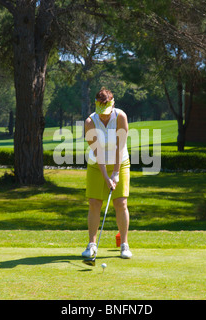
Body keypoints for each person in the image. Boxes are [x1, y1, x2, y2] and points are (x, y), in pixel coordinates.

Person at [82, 88, 132, 259]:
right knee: (95, 203)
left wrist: (116, 173)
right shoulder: (90, 122)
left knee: (121, 203)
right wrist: (106, 176)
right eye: (101, 112)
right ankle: (91, 244)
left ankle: (124, 245)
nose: (104, 116)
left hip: (121, 162)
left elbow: (119, 147)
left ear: (113, 105)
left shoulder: (120, 117)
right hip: (97, 165)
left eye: (106, 112)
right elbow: (98, 154)